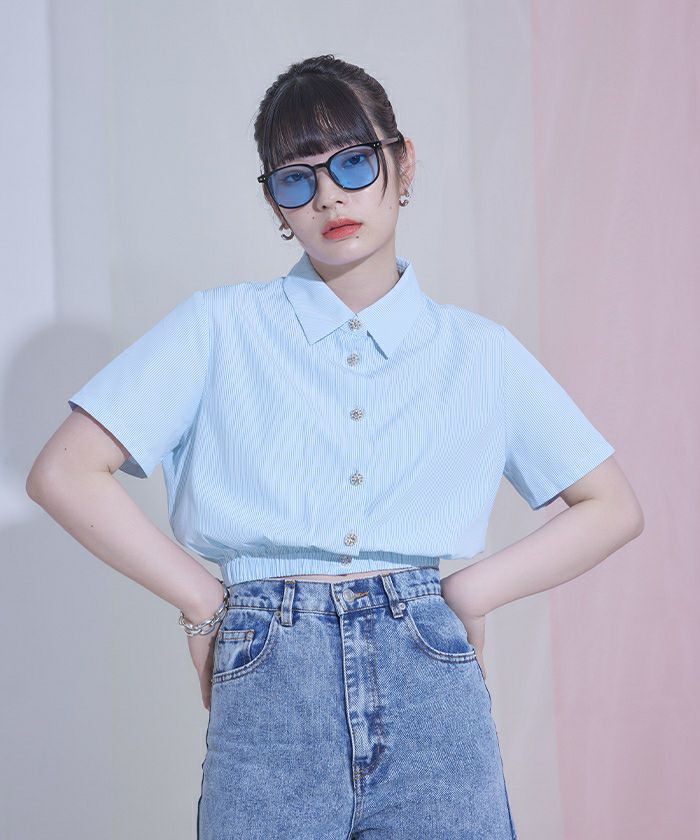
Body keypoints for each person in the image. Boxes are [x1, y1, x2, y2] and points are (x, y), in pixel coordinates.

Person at [27, 54, 644, 840]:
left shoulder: (480, 353)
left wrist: (471, 593)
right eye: (297, 178)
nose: (328, 196)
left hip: (431, 682)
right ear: (275, 203)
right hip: (270, 674)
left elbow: (611, 505)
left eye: (353, 162)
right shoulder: (219, 327)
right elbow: (65, 471)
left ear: (402, 162)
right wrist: (204, 602)